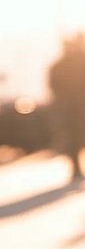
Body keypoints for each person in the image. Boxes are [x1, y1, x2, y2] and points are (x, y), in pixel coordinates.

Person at [47, 32, 85, 182]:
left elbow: (52, 87)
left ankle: (75, 168)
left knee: (73, 139)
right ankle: (76, 168)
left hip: (69, 108)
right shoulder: (77, 62)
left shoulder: (58, 66)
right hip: (73, 108)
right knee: (74, 139)